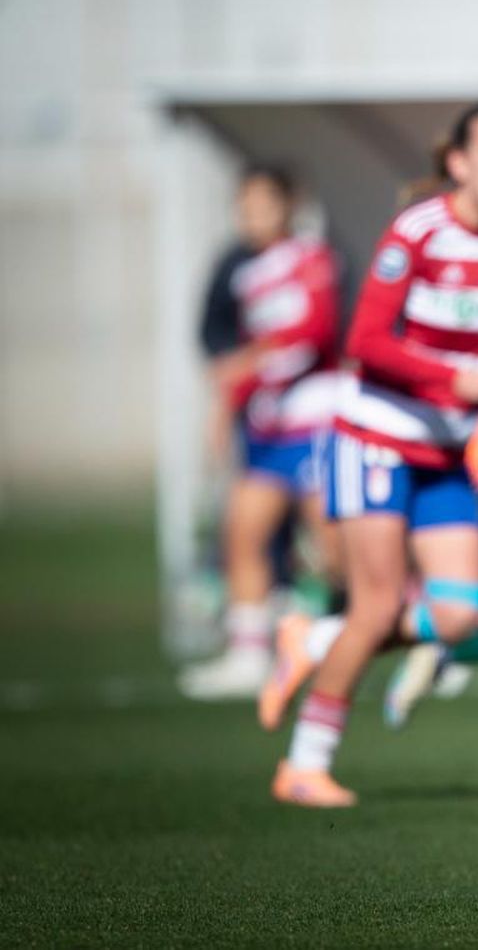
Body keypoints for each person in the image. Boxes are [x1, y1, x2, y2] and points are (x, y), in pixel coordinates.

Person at [267, 100, 478, 807]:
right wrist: (456, 380)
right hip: (374, 440)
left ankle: (313, 641)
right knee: (379, 604)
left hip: (443, 449)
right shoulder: (418, 230)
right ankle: (304, 765)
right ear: (458, 162)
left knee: (459, 613)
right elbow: (365, 342)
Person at [180, 165, 343, 700]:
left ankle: (412, 637)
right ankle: (249, 654)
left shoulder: (312, 258)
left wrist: (245, 369)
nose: (252, 217)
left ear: (288, 207)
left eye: (263, 205)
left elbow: (312, 335)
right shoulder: (241, 270)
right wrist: (229, 403)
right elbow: (244, 354)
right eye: (245, 207)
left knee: (337, 550)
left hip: (315, 421)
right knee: (243, 534)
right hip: (269, 425)